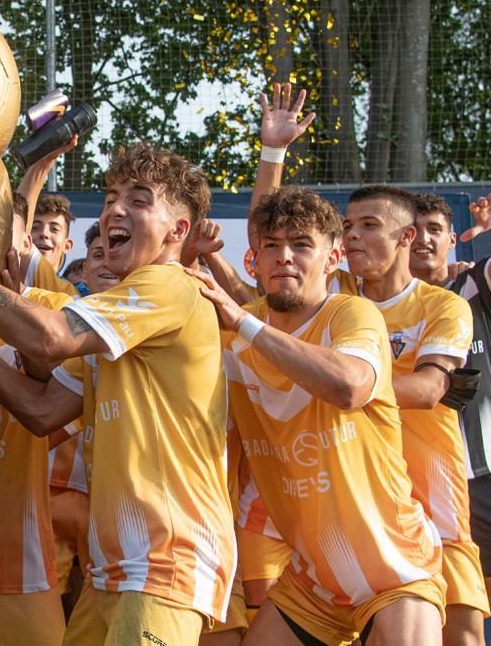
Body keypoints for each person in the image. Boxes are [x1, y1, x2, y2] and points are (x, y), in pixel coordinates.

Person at [0, 143, 235, 644]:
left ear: (179, 231)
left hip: (165, 563)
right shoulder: (120, 322)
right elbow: (41, 412)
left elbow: (51, 338)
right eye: (109, 197)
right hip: (114, 572)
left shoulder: (169, 285)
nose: (115, 210)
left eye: (140, 200)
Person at [188, 186, 444, 645]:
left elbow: (349, 387)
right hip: (313, 579)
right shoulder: (233, 334)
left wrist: (244, 322)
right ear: (256, 259)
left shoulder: (353, 314)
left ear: (333, 258)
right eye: (271, 245)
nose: (284, 257)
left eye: (301, 244)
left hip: (395, 564)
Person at [344, 186, 488, 645]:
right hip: (360, 503)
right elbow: (265, 247)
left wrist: (336, 385)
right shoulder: (335, 299)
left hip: (436, 498)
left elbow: (428, 390)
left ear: (404, 237)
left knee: (462, 634)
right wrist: (273, 152)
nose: (351, 237)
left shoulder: (443, 305)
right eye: (347, 227)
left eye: (368, 226)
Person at [410, 191, 491, 646]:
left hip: (485, 475)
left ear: (451, 242)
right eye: (415, 229)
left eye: (435, 230)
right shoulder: (374, 301)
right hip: (415, 484)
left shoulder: (473, 288)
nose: (423, 239)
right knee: (445, 627)